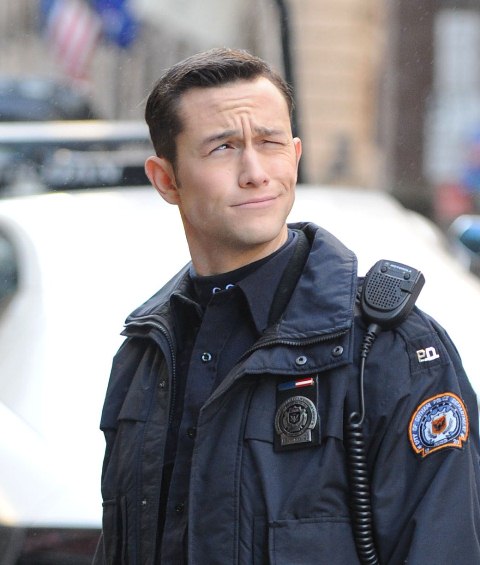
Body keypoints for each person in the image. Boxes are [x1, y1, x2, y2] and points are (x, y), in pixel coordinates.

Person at [93, 47, 480, 565]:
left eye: (270, 142)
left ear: (295, 156)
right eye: (223, 147)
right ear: (166, 179)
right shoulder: (145, 355)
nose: (255, 172)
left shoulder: (390, 351)